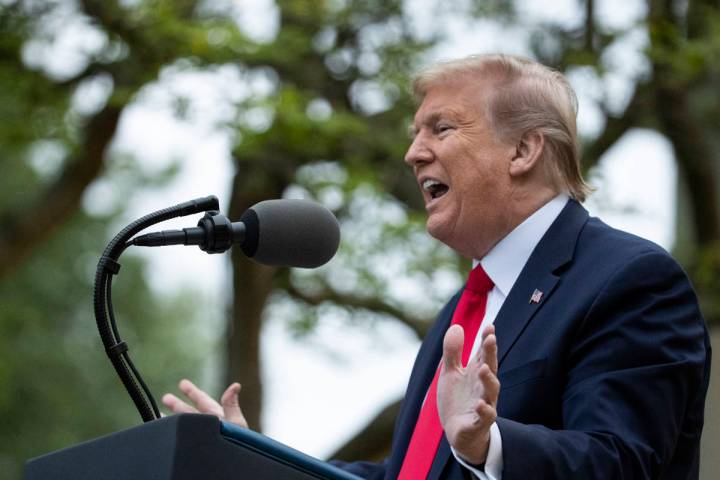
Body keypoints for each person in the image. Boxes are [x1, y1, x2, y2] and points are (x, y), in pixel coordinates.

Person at [163, 54, 711, 479]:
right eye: (414, 134)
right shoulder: (466, 307)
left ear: (523, 150)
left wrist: (489, 445)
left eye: (441, 129)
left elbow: (623, 464)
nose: (414, 153)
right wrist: (254, 460)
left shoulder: (629, 280)